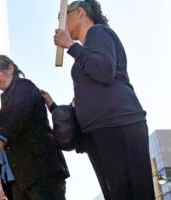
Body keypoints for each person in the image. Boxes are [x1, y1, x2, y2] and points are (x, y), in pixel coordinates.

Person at [51, 0, 153, 199]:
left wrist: (71, 46)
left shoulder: (99, 33)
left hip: (118, 124)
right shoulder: (87, 49)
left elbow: (104, 70)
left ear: (80, 12)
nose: (59, 26)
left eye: (62, 17)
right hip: (98, 131)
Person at [0, 55, 69, 200]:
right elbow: (14, 130)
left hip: (40, 172)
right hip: (19, 180)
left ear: (10, 68)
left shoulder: (25, 86)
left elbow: (19, 116)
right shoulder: (6, 101)